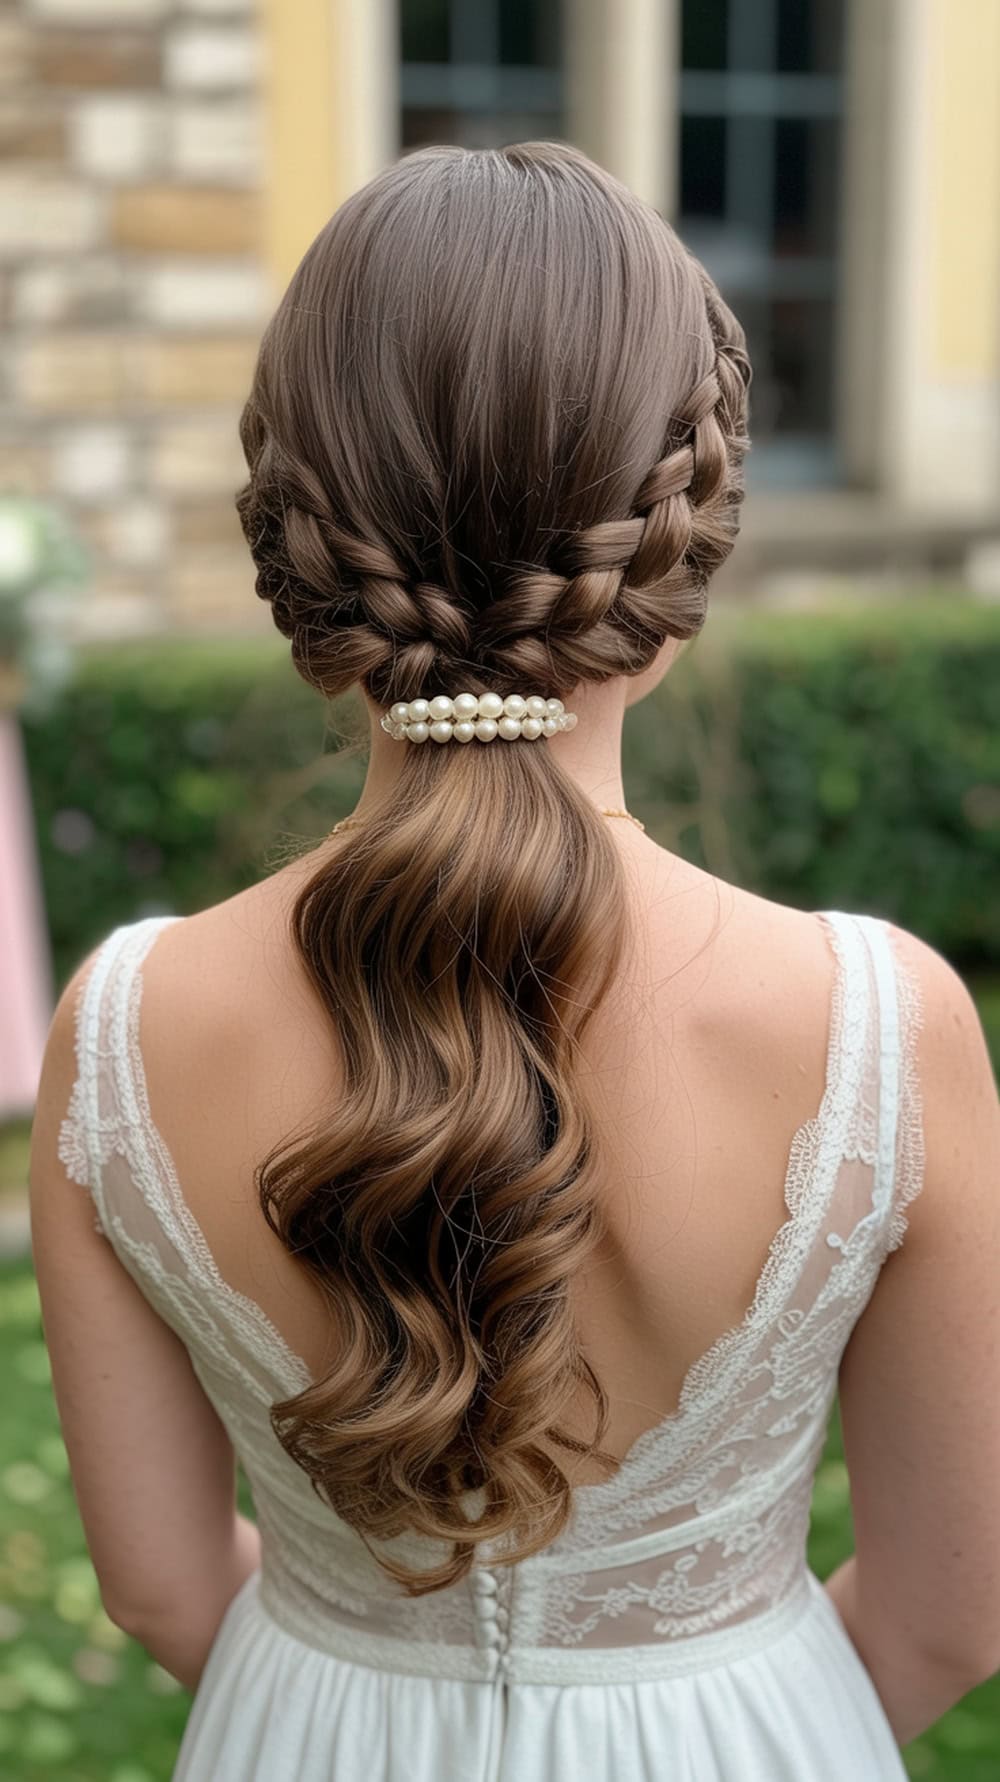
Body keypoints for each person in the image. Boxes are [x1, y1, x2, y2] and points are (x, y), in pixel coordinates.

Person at [28, 141, 1000, 1782]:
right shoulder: (878, 1025)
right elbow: (949, 1615)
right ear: (680, 559)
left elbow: (160, 1585)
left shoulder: (122, 1026)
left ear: (295, 565)